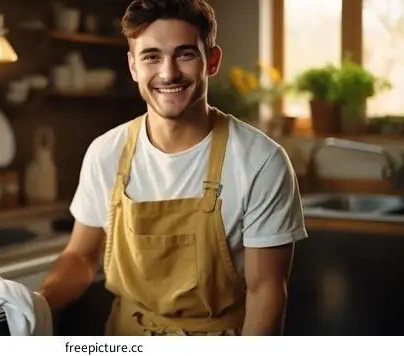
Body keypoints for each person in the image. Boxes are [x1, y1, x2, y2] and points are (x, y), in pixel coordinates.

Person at [39, 0, 307, 336]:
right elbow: (80, 257)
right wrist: (38, 303)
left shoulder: (261, 161)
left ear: (211, 61)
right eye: (151, 56)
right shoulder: (106, 152)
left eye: (185, 54)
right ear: (133, 66)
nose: (168, 73)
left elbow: (266, 291)